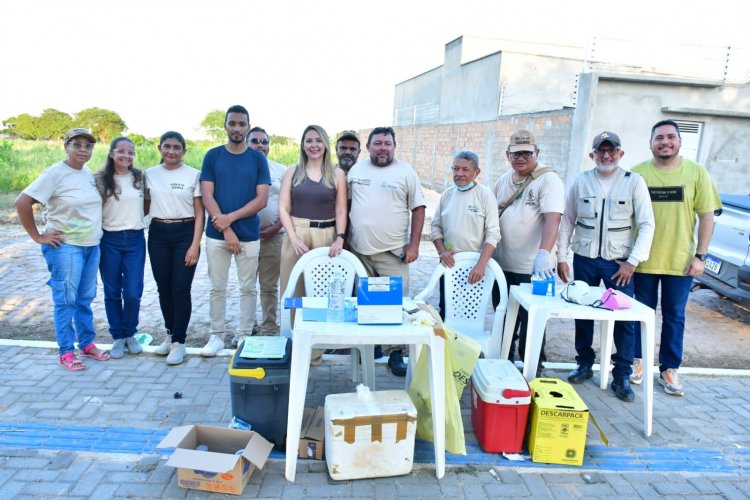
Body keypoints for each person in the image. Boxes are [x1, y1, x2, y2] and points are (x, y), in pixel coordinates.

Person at [556, 131, 655, 402]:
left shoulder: (633, 182)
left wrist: (633, 262)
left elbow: (647, 224)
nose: (606, 156)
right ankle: (584, 364)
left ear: (620, 154)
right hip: (585, 258)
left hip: (618, 263)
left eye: (612, 151)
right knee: (584, 313)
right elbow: (567, 221)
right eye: (601, 151)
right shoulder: (581, 181)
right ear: (593, 155)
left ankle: (621, 374)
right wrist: (561, 257)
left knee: (624, 319)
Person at [630, 119, 721, 396]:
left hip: (680, 263)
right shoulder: (637, 174)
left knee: (674, 317)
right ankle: (637, 361)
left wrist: (700, 256)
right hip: (643, 261)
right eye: (659, 138)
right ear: (650, 143)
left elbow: (707, 216)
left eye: (671, 137)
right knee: (638, 316)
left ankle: (669, 369)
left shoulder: (696, 173)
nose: (665, 142)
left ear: (680, 142)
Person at [15, 128, 110, 371]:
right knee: (66, 299)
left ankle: (87, 344)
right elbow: (23, 202)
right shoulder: (55, 173)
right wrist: (38, 236)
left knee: (84, 299)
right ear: (66, 146)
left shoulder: (88, 174)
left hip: (91, 246)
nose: (82, 150)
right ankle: (66, 351)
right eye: (76, 144)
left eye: (87, 146)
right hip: (66, 247)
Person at [348, 126, 426, 376]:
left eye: (387, 143)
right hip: (360, 253)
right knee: (365, 304)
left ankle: (395, 353)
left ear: (394, 147)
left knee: (395, 304)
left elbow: (419, 208)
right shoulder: (356, 170)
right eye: (378, 143)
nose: (382, 147)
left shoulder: (405, 172)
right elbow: (347, 205)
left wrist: (414, 245)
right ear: (368, 146)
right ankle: (368, 350)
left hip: (393, 254)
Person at [200, 105, 270, 356]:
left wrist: (230, 218)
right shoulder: (213, 156)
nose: (237, 128)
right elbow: (207, 195)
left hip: (249, 235)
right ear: (226, 126)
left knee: (248, 288)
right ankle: (216, 336)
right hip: (217, 235)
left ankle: (243, 335)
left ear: (248, 126)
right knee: (217, 288)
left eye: (242, 124)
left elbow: (261, 199)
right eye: (233, 123)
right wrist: (226, 229)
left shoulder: (258, 159)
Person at [492, 130, 564, 370]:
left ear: (537, 153)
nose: (521, 158)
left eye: (526, 153)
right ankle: (503, 364)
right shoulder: (503, 180)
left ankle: (533, 369)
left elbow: (553, 219)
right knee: (503, 319)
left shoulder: (548, 180)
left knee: (532, 322)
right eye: (515, 154)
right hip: (503, 265)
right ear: (507, 155)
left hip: (534, 268)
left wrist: (544, 254)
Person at [279, 125, 348, 366]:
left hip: (326, 236)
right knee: (293, 292)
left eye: (318, 140)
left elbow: (341, 209)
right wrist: (293, 236)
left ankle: (315, 351)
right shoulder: (292, 172)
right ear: (302, 144)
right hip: (296, 235)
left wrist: (340, 236)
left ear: (326, 144)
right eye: (309, 140)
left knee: (321, 294)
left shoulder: (337, 175)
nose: (314, 145)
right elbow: (283, 208)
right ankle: (292, 345)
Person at [145, 131, 204, 365]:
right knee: (163, 288)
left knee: (180, 289)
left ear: (184, 150)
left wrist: (194, 245)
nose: (171, 151)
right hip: (158, 233)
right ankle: (170, 334)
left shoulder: (192, 175)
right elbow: (144, 204)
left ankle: (180, 341)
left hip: (185, 232)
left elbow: (200, 212)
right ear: (160, 148)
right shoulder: (149, 175)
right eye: (167, 146)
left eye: (176, 147)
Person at [431, 150, 500, 320]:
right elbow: (435, 227)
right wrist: (442, 251)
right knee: (446, 311)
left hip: (475, 268)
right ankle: (448, 347)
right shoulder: (447, 195)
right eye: (455, 169)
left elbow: (493, 233)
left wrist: (481, 265)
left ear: (476, 172)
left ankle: (469, 347)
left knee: (470, 314)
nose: (459, 174)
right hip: (449, 265)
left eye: (465, 169)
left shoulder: (485, 195)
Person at [95, 137, 146, 359]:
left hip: (135, 239)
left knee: (133, 292)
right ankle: (118, 336)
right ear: (111, 153)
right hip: (109, 240)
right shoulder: (99, 180)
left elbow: (147, 205)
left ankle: (130, 333)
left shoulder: (140, 178)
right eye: (121, 151)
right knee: (112, 292)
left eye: (130, 152)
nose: (126, 156)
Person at [244, 127, 286, 338]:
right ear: (246, 142)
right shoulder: (239, 168)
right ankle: (247, 327)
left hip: (274, 237)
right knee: (247, 285)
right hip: (246, 237)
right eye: (255, 141)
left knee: (269, 286)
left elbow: (289, 203)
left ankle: (269, 327)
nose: (260, 145)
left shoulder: (281, 170)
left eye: (264, 141)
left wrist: (276, 227)